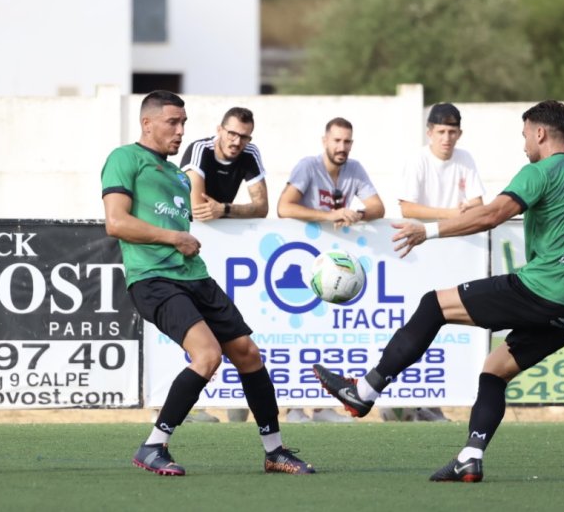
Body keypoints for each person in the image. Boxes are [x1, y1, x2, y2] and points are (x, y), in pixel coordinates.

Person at [313, 100, 564, 482]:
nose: (524, 144)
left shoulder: (539, 171)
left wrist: (429, 230)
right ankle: (470, 457)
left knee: (433, 305)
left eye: (524, 135)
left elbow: (492, 214)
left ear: (540, 133)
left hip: (540, 290)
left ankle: (365, 391)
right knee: (494, 371)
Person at [101, 90, 314, 476]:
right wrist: (174, 238)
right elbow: (116, 223)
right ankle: (153, 446)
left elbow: (246, 207)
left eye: (183, 122)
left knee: (248, 353)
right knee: (208, 355)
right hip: (153, 279)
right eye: (172, 122)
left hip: (194, 276)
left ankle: (274, 451)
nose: (181, 130)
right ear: (147, 123)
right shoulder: (124, 158)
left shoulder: (177, 176)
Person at [278, 116, 385, 422]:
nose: (342, 147)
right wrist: (329, 215)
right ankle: (294, 406)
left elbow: (378, 208)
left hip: (334, 266)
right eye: (336, 140)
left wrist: (357, 214)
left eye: (347, 141)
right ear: (324, 141)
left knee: (326, 333)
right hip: (304, 257)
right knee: (296, 333)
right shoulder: (307, 166)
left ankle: (324, 407)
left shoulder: (355, 168)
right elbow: (285, 207)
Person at [390, 102, 487, 423]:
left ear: (460, 133)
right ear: (429, 132)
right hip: (418, 257)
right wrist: (451, 215)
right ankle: (397, 400)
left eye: (453, 132)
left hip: (455, 258)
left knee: (444, 331)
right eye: (441, 132)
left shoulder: (466, 160)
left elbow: (478, 205)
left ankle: (431, 401)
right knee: (412, 326)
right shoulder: (417, 160)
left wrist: (457, 215)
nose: (447, 138)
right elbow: (407, 208)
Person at [179, 106, 267, 424]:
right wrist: (222, 210)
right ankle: (185, 406)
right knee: (193, 327)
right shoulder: (199, 149)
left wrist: (226, 209)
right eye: (231, 133)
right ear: (219, 129)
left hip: (225, 251)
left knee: (235, 330)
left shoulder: (250, 153)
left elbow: (262, 207)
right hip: (185, 249)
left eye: (243, 136)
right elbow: (196, 206)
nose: (237, 141)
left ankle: (237, 406)